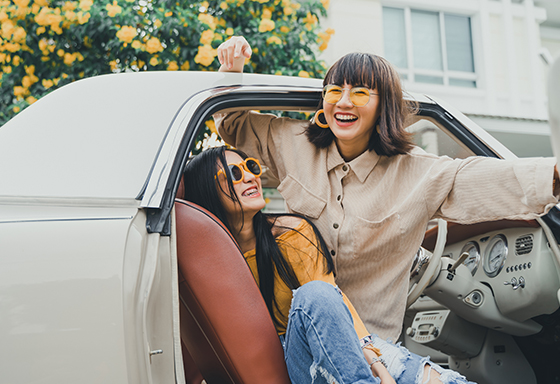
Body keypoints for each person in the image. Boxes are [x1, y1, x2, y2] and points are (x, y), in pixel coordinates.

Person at [214, 36, 560, 343]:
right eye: (335, 91)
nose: (344, 102)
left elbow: (489, 179)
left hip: (371, 346)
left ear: (384, 106)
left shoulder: (419, 172)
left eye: (360, 92)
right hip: (296, 339)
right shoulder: (294, 143)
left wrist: (554, 175)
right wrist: (233, 70)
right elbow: (235, 125)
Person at [181, 146, 475, 384]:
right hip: (291, 363)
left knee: (319, 295)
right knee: (316, 295)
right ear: (207, 189)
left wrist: (375, 360)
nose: (249, 177)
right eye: (234, 172)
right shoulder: (206, 264)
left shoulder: (288, 233)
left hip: (332, 348)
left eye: (251, 167)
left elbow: (333, 303)